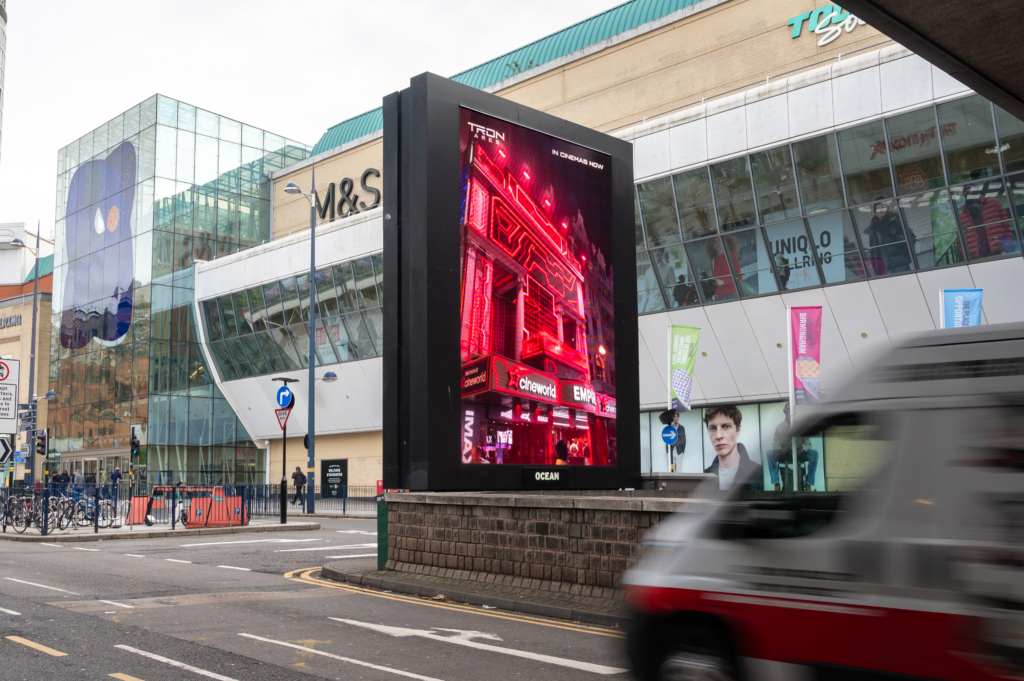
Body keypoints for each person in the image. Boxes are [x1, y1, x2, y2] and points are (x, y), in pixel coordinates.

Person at [702, 405, 763, 491]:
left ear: (738, 430)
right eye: (713, 428)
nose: (718, 436)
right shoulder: (705, 475)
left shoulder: (757, 472)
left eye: (726, 427)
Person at [767, 403, 819, 491]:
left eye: (792, 409)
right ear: (784, 411)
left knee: (814, 453)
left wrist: (802, 450)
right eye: (788, 409)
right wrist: (780, 450)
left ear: (794, 412)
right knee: (770, 453)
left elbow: (808, 444)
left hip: (799, 454)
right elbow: (775, 444)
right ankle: (776, 484)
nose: (790, 411)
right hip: (784, 454)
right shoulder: (779, 427)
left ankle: (808, 484)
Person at [958, 182, 1013, 259]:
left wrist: (1007, 247)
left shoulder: (993, 203)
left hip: (999, 252)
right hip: (978, 258)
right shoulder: (962, 216)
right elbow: (961, 241)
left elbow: (1006, 226)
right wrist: (968, 258)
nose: (967, 191)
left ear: (977, 190)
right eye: (965, 190)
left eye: (969, 188)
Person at [862, 198, 914, 275]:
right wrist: (875, 267)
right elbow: (874, 252)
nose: (881, 210)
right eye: (878, 208)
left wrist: (895, 236)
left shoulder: (896, 221)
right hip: (883, 268)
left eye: (883, 207)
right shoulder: (873, 229)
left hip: (899, 264)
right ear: (875, 211)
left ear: (887, 209)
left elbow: (911, 239)